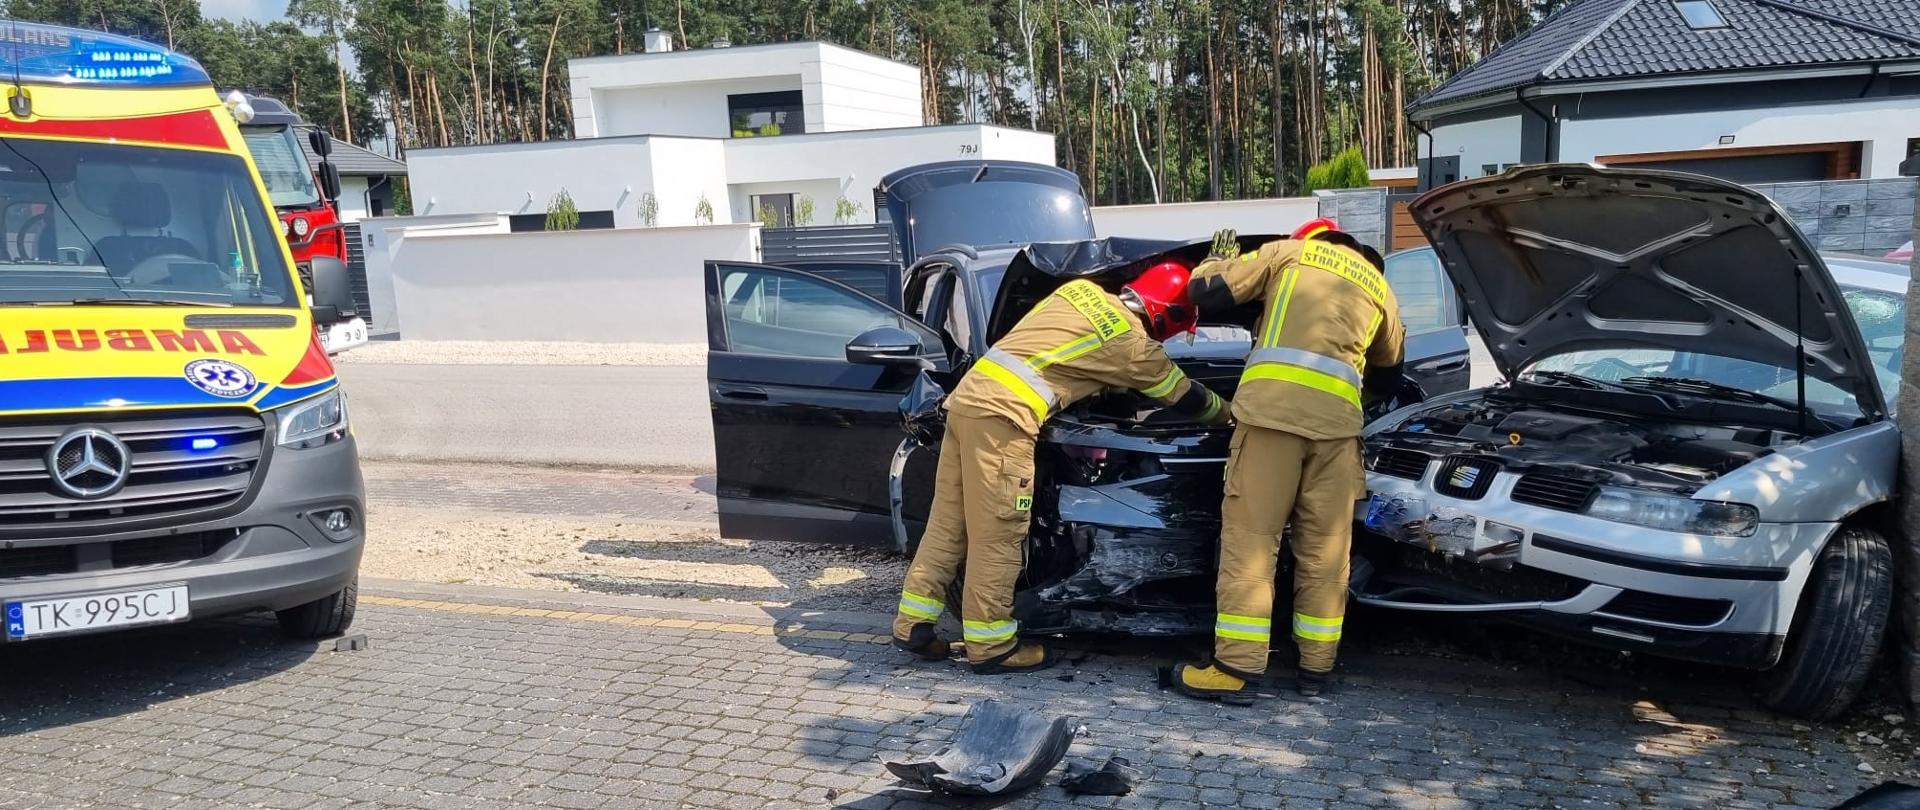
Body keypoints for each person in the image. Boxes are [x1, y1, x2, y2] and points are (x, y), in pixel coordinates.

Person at [893, 260, 1233, 674]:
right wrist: (1233, 415)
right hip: (1005, 419)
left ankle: (913, 623)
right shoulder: (1132, 345)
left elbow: (1065, 356)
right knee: (998, 533)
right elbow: (1185, 398)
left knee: (949, 523)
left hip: (967, 405)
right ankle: (991, 646)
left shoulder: (1080, 291)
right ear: (1168, 314)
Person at [1172, 218, 1405, 701]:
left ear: (1309, 237)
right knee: (1326, 554)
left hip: (1272, 419)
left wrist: (1218, 260)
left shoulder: (1287, 254)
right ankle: (1316, 670)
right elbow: (1388, 377)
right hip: (1339, 435)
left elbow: (1205, 291)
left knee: (1253, 545)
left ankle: (1235, 669)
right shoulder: (1379, 285)